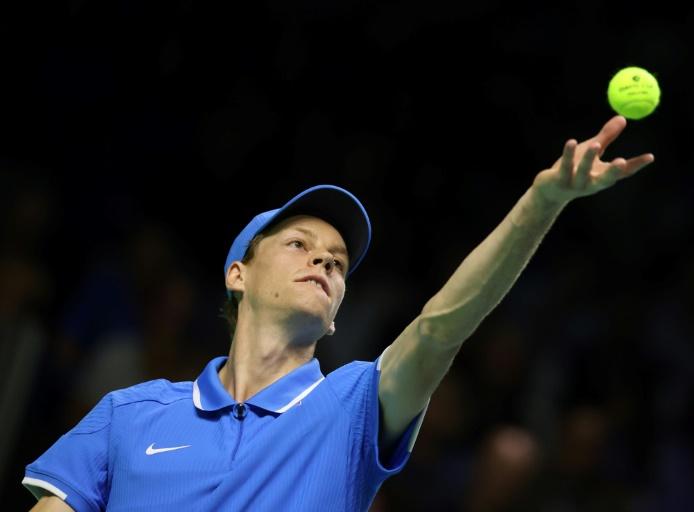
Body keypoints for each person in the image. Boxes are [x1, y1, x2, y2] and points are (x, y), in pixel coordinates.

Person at [22, 115, 654, 511]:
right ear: (237, 274)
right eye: (299, 245)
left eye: (338, 262)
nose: (325, 262)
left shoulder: (354, 405)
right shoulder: (127, 415)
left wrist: (541, 204)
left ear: (334, 315)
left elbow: (441, 326)